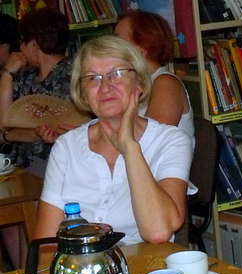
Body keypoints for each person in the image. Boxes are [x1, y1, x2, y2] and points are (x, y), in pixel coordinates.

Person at [33, 35, 194, 250]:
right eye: (92, 78)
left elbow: (158, 232)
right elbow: (46, 245)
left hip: (143, 268)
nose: (105, 87)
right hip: (80, 267)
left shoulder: (170, 141)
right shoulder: (66, 147)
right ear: (83, 94)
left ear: (139, 83)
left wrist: (130, 148)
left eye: (117, 74)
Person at [0, 8, 74, 172]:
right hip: (20, 169)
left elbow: (51, 129)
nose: (20, 48)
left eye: (22, 41)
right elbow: (4, 124)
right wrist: (7, 75)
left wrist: (11, 135)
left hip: (56, 170)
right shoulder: (26, 76)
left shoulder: (71, 75)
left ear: (34, 45)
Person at [114, 10, 194, 139]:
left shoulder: (166, 83)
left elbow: (151, 141)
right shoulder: (135, 84)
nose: (111, 48)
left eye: (118, 41)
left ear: (143, 46)